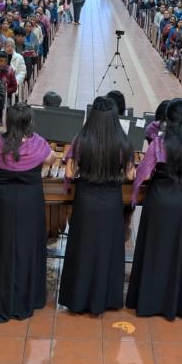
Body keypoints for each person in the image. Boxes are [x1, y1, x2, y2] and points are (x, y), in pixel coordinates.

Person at [127, 98, 182, 319]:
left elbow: (143, 173)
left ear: (168, 118)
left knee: (157, 249)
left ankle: (151, 301)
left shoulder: (160, 143)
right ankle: (181, 302)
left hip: (162, 200)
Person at [0, 103, 56, 322]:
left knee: (1, 246)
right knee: (26, 247)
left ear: (8, 121)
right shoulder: (38, 144)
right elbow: (51, 159)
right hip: (29, 202)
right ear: (29, 122)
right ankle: (26, 296)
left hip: (2, 202)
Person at [59, 97, 135, 314]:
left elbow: (70, 173)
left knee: (83, 247)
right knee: (107, 248)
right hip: (111, 200)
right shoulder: (122, 141)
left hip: (86, 199)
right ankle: (106, 299)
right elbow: (130, 174)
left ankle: (78, 298)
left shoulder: (81, 140)